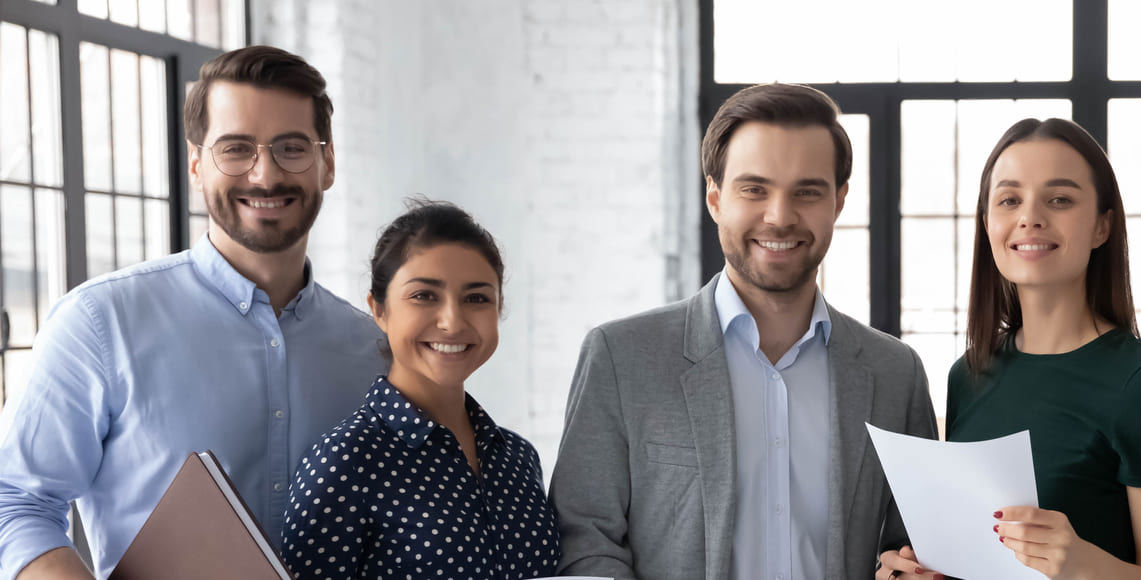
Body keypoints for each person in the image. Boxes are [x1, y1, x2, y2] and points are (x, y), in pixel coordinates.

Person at [0, 46, 386, 579]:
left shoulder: (371, 350)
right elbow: (14, 502)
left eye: (292, 148)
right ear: (198, 165)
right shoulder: (100, 322)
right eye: (236, 149)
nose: (265, 174)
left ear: (328, 164)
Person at [550, 83, 938, 579]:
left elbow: (913, 545)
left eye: (807, 191)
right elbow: (585, 541)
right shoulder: (620, 357)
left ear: (839, 201)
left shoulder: (895, 373)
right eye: (754, 189)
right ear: (714, 197)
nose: (779, 216)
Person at [878, 118, 1141, 580]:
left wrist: (1083, 565)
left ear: (1102, 226)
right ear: (988, 223)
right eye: (1010, 200)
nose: (1030, 217)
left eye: (1060, 199)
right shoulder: (968, 375)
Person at [280, 200, 559, 578]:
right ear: (379, 310)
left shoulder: (519, 459)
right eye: (424, 296)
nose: (452, 321)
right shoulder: (345, 462)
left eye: (476, 298)